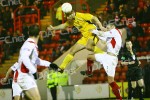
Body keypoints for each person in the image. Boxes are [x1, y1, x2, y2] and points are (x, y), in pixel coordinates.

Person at [48, 2, 106, 72]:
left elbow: (94, 18)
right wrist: (54, 28)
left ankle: (105, 56)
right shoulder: (71, 20)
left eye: (67, 14)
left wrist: (100, 26)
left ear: (71, 12)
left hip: (92, 32)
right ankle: (61, 68)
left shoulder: (80, 15)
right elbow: (64, 25)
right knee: (72, 51)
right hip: (85, 37)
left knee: (89, 47)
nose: (66, 16)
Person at [6, 24, 59, 100]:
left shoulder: (31, 44)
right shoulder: (29, 44)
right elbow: (24, 58)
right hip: (25, 77)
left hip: (26, 77)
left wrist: (50, 64)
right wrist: (35, 72)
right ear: (40, 33)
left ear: (28, 33)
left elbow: (35, 60)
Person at [86, 23, 126, 100]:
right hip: (106, 55)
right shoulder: (112, 36)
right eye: (106, 28)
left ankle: (119, 98)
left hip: (111, 58)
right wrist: (95, 35)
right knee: (89, 57)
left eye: (108, 28)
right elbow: (104, 39)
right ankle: (89, 72)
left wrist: (94, 31)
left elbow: (103, 34)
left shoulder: (115, 31)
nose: (107, 29)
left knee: (111, 81)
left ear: (113, 27)